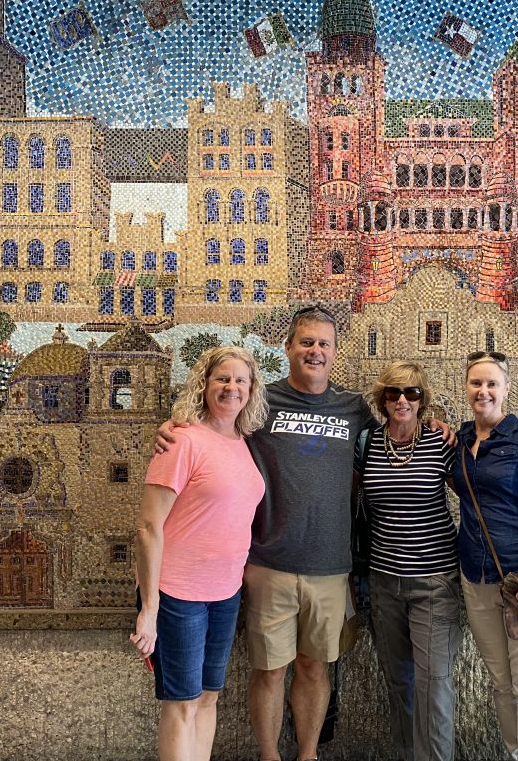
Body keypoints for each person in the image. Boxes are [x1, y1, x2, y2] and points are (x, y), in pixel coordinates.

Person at [156, 306, 377, 761]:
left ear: (335, 352)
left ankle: (307, 754)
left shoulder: (353, 408)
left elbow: (401, 426)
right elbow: (212, 428)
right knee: (270, 670)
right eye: (306, 342)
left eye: (323, 344)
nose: (315, 351)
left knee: (315, 667)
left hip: (330, 567)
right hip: (267, 564)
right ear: (289, 348)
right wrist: (171, 428)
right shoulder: (260, 403)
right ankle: (269, 756)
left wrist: (436, 426)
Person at [132, 346, 269, 761]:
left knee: (209, 698)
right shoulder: (181, 440)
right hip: (177, 594)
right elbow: (148, 525)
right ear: (204, 385)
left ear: (251, 390)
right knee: (182, 703)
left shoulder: (243, 443)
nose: (231, 387)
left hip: (225, 593)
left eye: (240, 380)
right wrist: (149, 606)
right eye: (222, 379)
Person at [449, 351, 518, 761]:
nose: (483, 391)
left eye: (491, 384)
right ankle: (515, 753)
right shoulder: (461, 440)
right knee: (500, 682)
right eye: (476, 383)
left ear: (506, 389)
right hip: (475, 578)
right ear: (467, 388)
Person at [358, 361, 462, 761]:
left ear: (423, 400)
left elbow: (474, 489)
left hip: (434, 583)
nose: (402, 400)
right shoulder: (366, 444)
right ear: (383, 400)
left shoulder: (439, 443)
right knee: (398, 682)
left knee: (434, 683)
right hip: (384, 583)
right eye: (393, 393)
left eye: (412, 393)